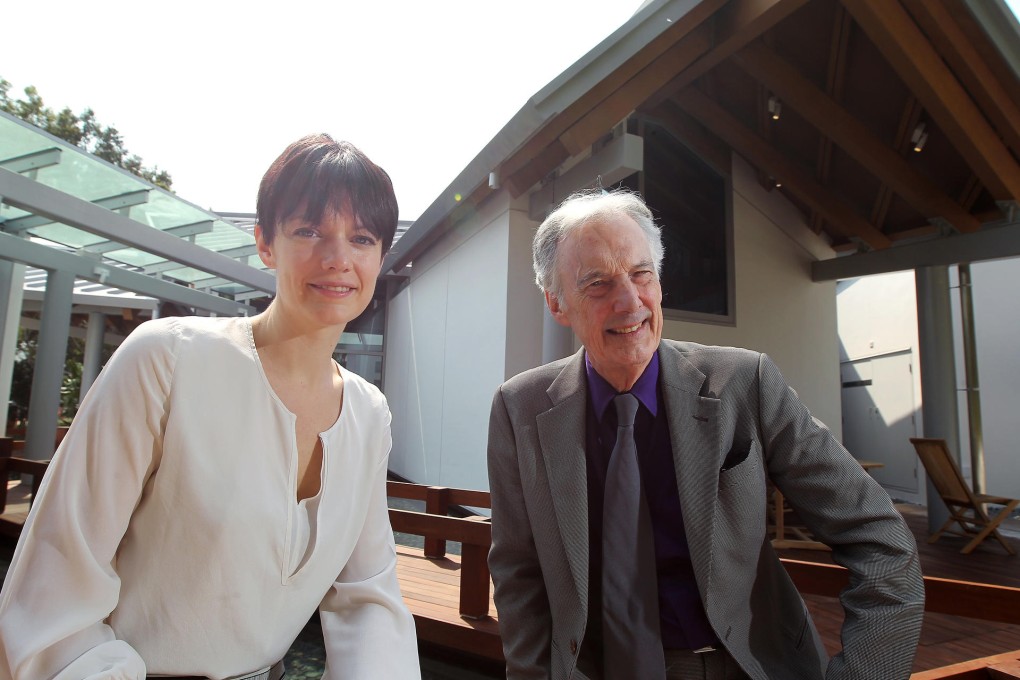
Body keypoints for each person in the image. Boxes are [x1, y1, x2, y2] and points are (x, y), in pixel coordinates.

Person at [0, 134, 421, 680]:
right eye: (309, 231)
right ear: (266, 243)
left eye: (361, 238)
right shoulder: (167, 359)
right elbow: (53, 593)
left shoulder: (368, 414)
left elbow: (369, 598)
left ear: (381, 257)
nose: (338, 258)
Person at [486, 189, 924, 680]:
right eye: (598, 283)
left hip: (738, 666)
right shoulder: (519, 408)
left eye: (640, 274)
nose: (630, 303)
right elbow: (518, 572)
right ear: (556, 302)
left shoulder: (745, 383)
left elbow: (878, 536)